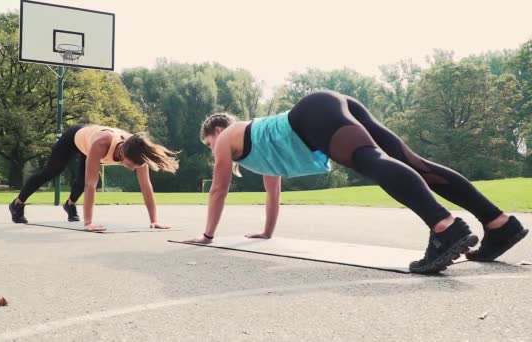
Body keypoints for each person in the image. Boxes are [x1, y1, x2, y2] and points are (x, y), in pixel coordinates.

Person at [184, 90, 529, 274]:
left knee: (372, 161)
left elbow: (218, 189)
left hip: (311, 113)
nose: (213, 152)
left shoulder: (229, 134)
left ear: (215, 132)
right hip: (328, 105)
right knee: (414, 164)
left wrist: (207, 235)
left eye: (208, 145)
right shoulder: (259, 145)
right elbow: (272, 189)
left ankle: (445, 227)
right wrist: (267, 232)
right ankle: (499, 224)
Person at [8, 124, 179, 232]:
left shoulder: (137, 153)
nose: (134, 168)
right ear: (122, 152)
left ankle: (70, 205)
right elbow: (91, 185)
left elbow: (146, 186)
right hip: (75, 137)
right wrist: (89, 223)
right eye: (132, 164)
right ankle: (17, 203)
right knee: (52, 172)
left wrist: (154, 221)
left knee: (81, 181)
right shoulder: (102, 144)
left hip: (90, 140)